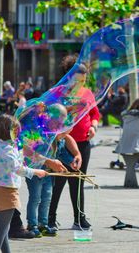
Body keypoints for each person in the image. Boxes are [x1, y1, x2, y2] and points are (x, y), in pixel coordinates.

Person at [48, 54, 100, 231]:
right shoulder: (58, 92)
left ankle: (79, 218)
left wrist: (93, 126)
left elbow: (95, 114)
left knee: (78, 181)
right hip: (62, 142)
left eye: (84, 80)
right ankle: (50, 218)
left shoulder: (87, 92)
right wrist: (70, 109)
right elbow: (51, 113)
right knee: (58, 181)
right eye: (78, 80)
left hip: (83, 142)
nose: (82, 84)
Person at [0, 115, 47, 252]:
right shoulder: (7, 150)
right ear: (8, 131)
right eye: (15, 132)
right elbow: (17, 168)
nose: (17, 135)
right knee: (1, 230)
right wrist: (36, 171)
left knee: (4, 228)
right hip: (7, 190)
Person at [25, 103, 81, 237]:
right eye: (57, 123)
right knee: (35, 198)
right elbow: (28, 152)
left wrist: (71, 162)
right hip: (35, 172)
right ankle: (32, 224)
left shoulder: (57, 138)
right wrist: (48, 161)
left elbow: (61, 153)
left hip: (49, 173)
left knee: (46, 198)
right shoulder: (38, 132)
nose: (59, 127)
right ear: (49, 118)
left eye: (61, 124)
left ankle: (43, 224)